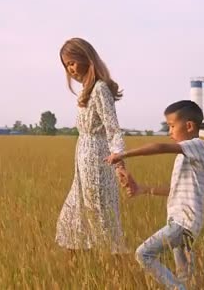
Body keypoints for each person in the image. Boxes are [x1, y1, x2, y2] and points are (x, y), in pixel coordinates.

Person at [106, 100, 204, 289]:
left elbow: (159, 147)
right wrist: (143, 189)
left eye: (171, 126)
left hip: (182, 222)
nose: (169, 132)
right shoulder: (186, 156)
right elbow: (174, 190)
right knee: (185, 275)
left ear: (189, 126)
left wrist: (123, 155)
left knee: (143, 254)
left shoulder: (197, 146)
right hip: (182, 223)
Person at [55, 37, 129, 254]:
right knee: (72, 221)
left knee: (101, 224)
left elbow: (113, 129)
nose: (70, 70)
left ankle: (119, 274)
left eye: (72, 62)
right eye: (66, 66)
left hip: (98, 165)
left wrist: (120, 164)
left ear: (86, 58)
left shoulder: (99, 89)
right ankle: (80, 275)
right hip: (83, 167)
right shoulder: (85, 91)